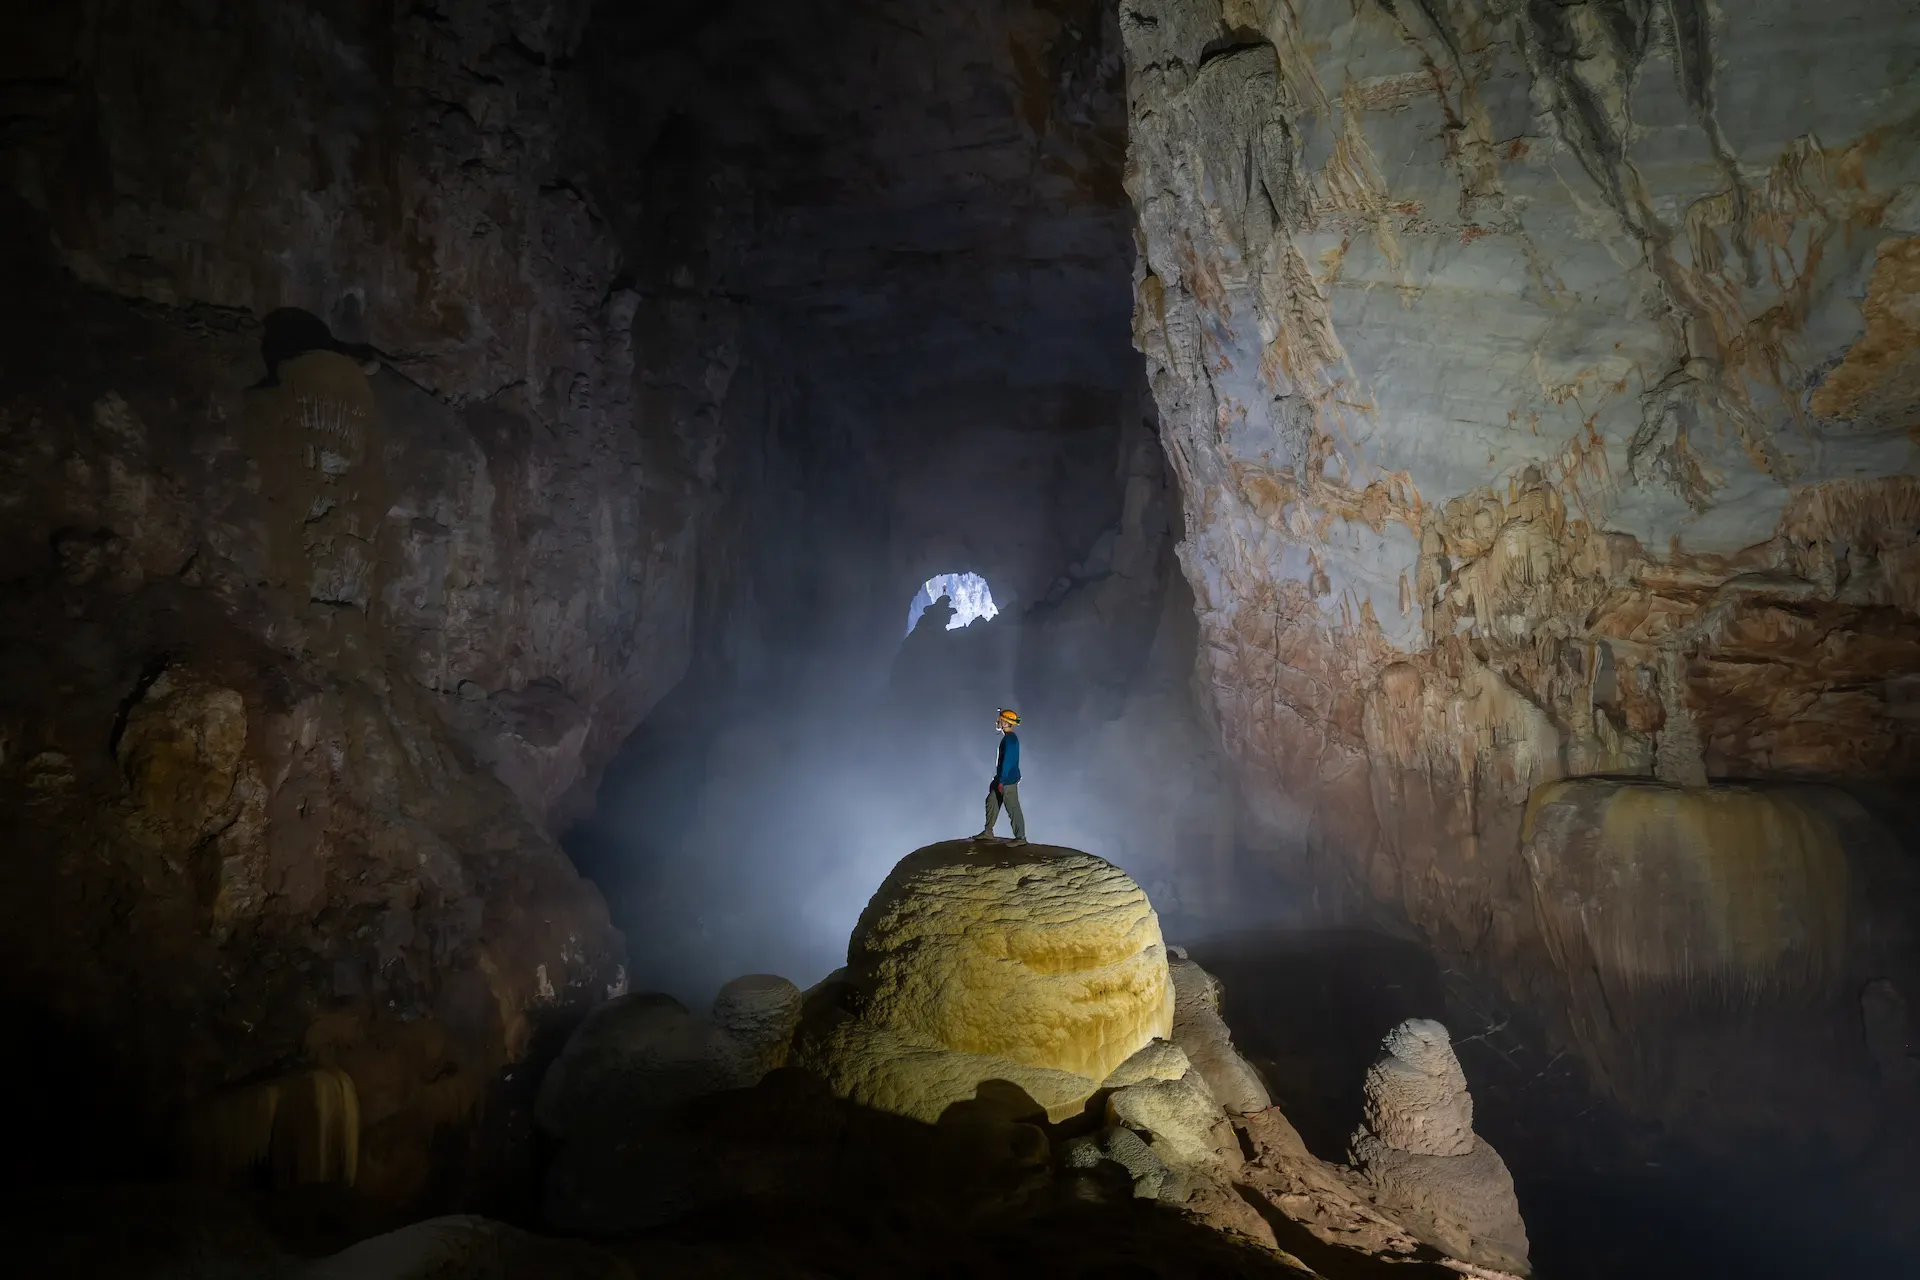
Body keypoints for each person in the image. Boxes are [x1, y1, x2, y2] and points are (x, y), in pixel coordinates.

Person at [977, 707, 1027, 847]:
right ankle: (988, 832)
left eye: (1000, 720)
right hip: (1002, 778)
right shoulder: (1009, 739)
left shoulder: (1010, 741)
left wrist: (1002, 781)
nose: (998, 722)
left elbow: (1008, 761)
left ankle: (1020, 837)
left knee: (1012, 808)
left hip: (1007, 781)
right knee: (992, 800)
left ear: (1006, 723)